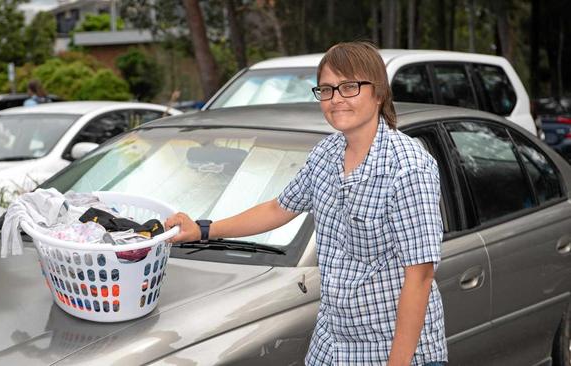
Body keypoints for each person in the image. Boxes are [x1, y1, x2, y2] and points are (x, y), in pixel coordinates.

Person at [165, 41, 447, 366]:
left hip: (393, 348)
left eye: (349, 87)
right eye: (326, 90)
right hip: (333, 342)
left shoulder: (409, 166)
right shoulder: (325, 154)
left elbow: (421, 274)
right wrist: (202, 229)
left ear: (379, 92)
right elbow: (277, 209)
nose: (336, 99)